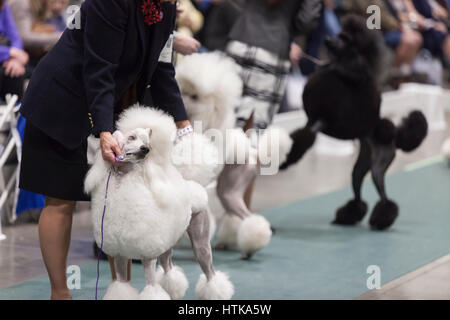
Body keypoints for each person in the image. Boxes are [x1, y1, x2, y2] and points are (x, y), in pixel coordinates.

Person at [18, 0, 192, 300]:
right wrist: (104, 130)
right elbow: (99, 69)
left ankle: (118, 289)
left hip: (105, 101)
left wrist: (184, 126)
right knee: (60, 201)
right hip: (61, 101)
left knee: (116, 201)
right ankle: (60, 293)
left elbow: (162, 68)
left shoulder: (165, 7)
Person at [8, 0, 63, 72]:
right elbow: (24, 38)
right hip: (16, 57)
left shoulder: (41, 6)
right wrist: (59, 37)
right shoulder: (21, 3)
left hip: (27, 55)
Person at [0, 0, 28, 100]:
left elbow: (14, 36)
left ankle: (17, 112)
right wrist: (9, 53)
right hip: (5, 54)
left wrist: (15, 59)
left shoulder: (4, 5)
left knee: (15, 72)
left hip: (7, 58)